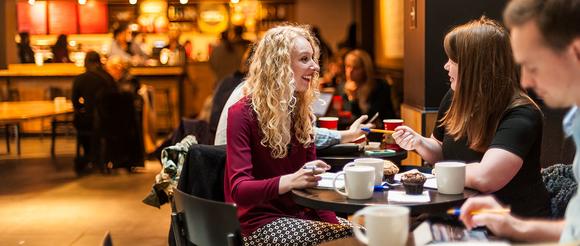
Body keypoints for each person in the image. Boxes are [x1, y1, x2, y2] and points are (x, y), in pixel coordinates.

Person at [393, 17, 549, 217]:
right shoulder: (455, 97)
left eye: (452, 60)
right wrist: (419, 142)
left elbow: (487, 178)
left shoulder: (522, 113)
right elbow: (441, 151)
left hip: (509, 222)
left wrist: (437, 173)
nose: (446, 66)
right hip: (458, 211)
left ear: (474, 66)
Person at [459, 0, 580, 243]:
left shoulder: (522, 112)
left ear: (576, 52)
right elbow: (574, 232)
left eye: (531, 66)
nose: (525, 81)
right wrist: (513, 226)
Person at [224, 24, 352, 245]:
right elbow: (240, 190)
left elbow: (311, 188)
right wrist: (291, 180)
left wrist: (334, 223)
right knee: (350, 239)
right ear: (279, 66)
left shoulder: (300, 112)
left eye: (313, 59)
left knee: (365, 235)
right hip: (259, 223)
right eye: (304, 59)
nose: (315, 67)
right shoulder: (242, 113)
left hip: (301, 215)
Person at [214, 80, 373, 148]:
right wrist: (348, 135)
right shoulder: (260, 96)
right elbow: (300, 136)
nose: (315, 67)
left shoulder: (258, 87)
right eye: (304, 59)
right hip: (242, 199)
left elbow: (303, 137)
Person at [71, 51, 116, 175]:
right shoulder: (109, 78)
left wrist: (85, 106)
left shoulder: (80, 79)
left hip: (89, 121)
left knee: (79, 122)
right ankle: (102, 157)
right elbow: (115, 99)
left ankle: (88, 155)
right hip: (109, 121)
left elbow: (75, 102)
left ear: (86, 63)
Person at [342, 49, 396, 123]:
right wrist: (352, 99)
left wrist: (359, 100)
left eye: (356, 68)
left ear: (365, 69)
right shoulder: (343, 87)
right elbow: (347, 117)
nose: (350, 71)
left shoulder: (380, 87)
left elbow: (370, 118)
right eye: (348, 66)